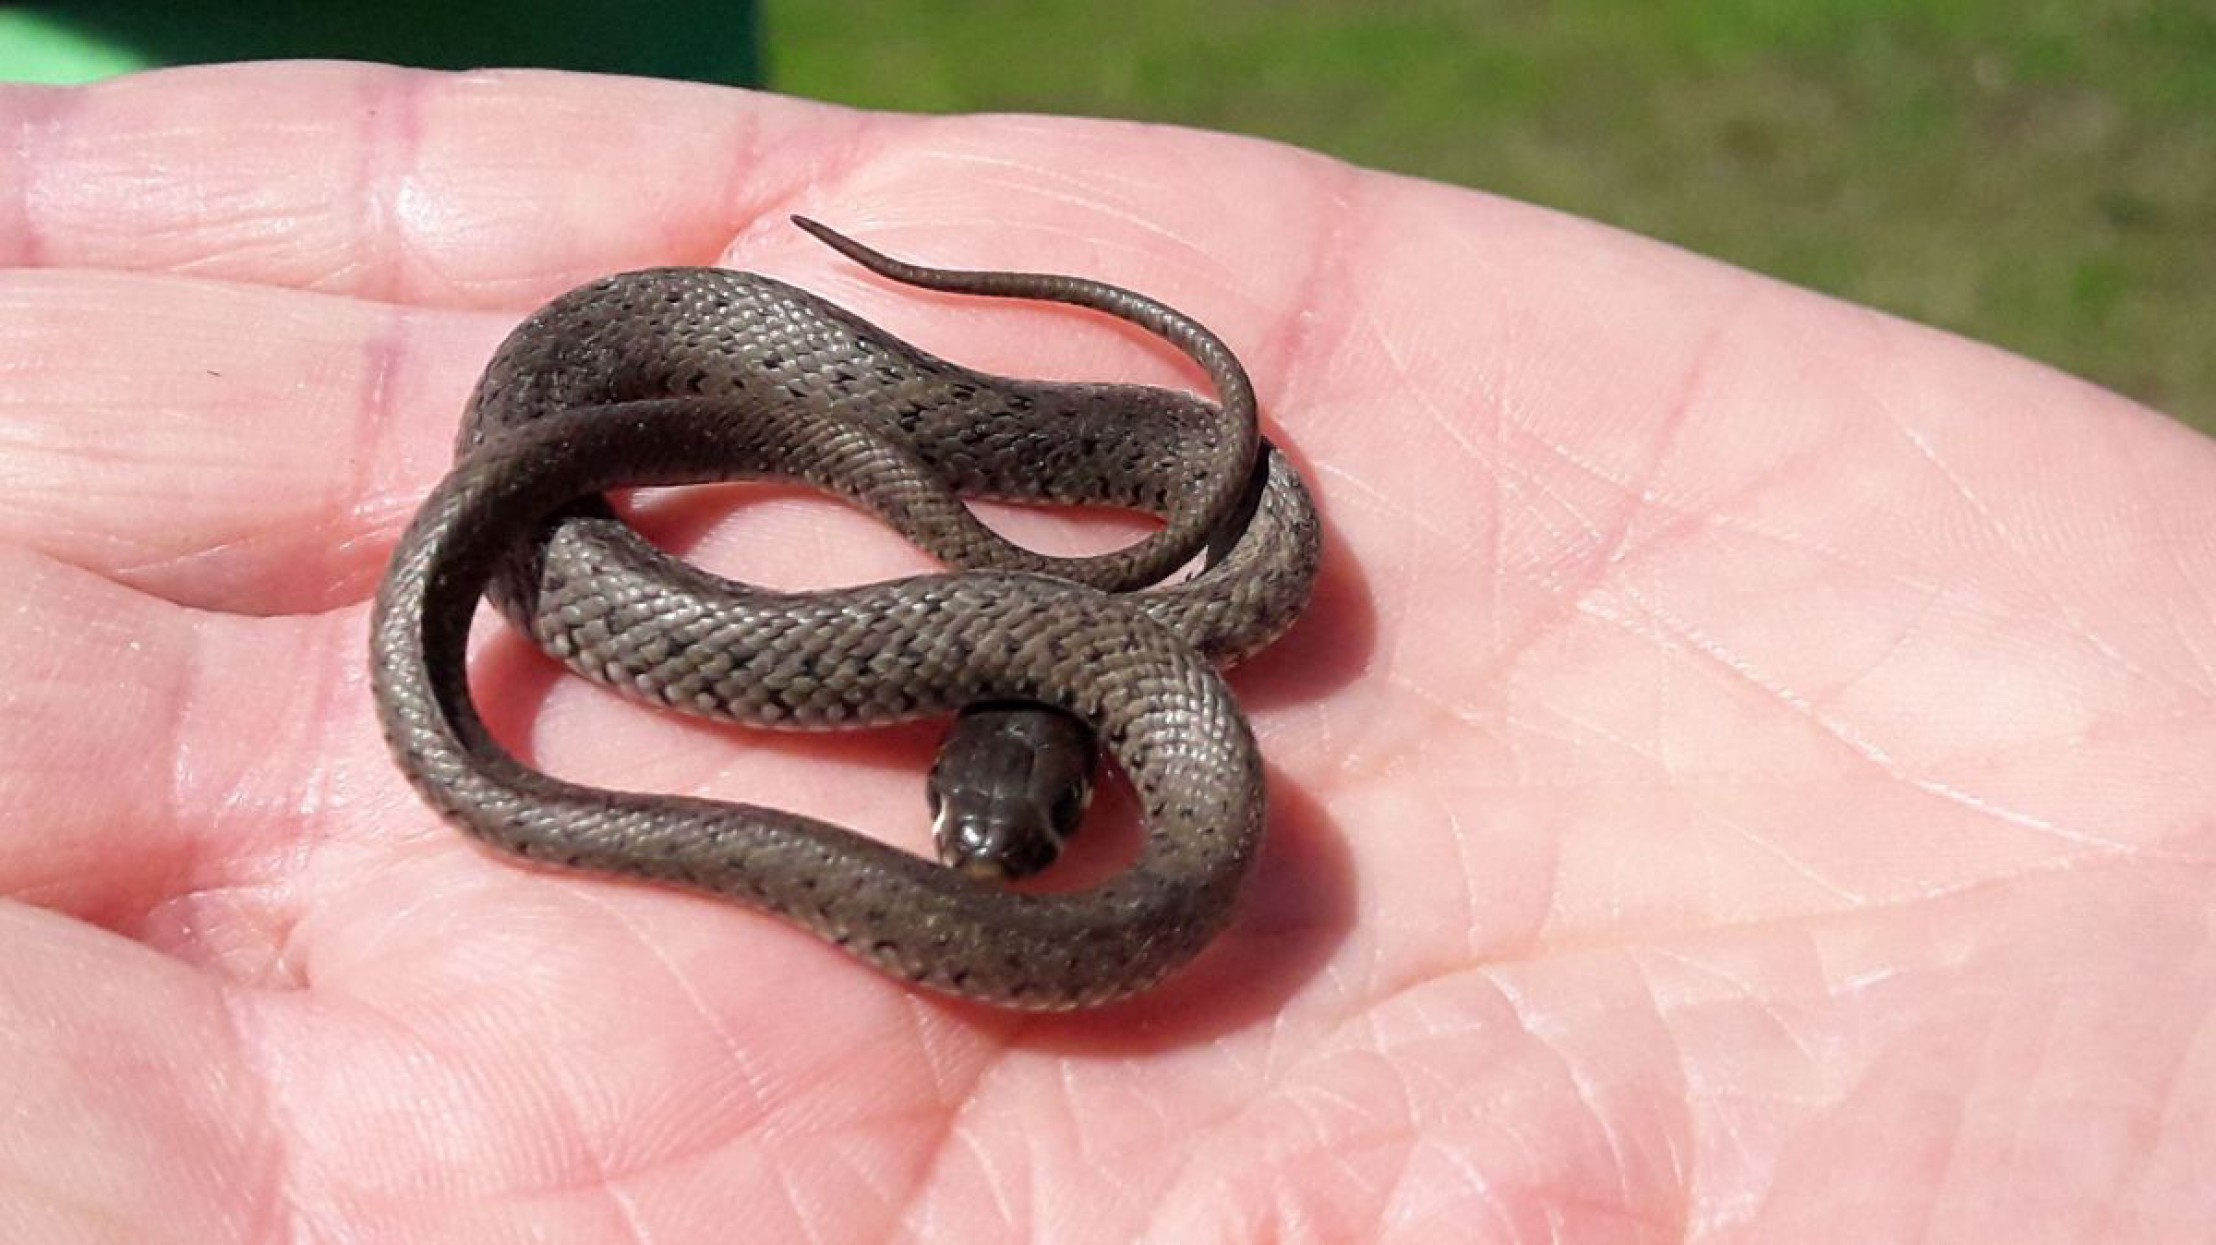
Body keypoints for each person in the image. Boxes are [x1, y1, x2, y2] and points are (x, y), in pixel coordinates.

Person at [2, 63, 2206, 1242]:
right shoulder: (1053, 636)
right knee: (589, 453)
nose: (981, 848)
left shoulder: (1195, 750)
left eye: (1011, 837)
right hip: (677, 471)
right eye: (995, 832)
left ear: (1097, 763)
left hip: (1020, 552)